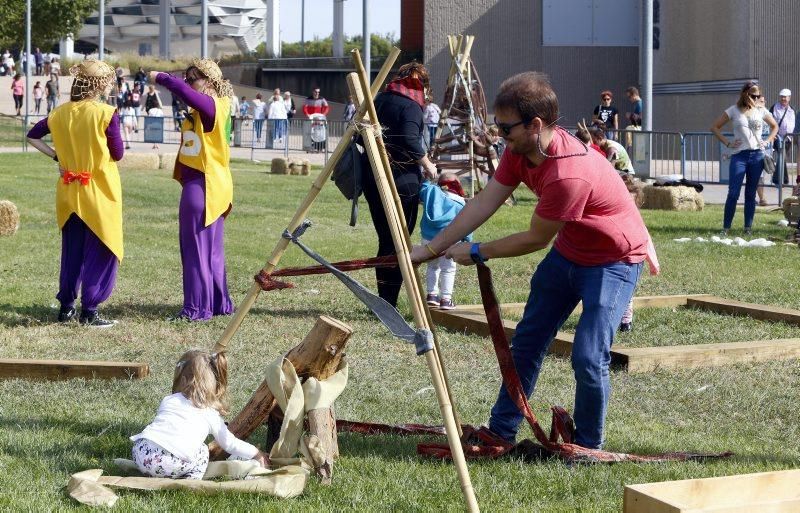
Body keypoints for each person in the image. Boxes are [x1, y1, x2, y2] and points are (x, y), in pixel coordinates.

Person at [410, 71, 654, 450]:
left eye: (505, 128)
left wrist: (477, 251)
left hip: (614, 260)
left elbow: (536, 238)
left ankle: (587, 447)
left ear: (535, 124)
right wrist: (430, 248)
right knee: (527, 342)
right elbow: (483, 203)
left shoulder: (568, 173)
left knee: (589, 356)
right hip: (570, 251)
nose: (499, 135)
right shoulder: (519, 151)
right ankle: (501, 430)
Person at [25, 59, 124, 327]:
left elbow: (33, 136)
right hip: (99, 191)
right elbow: (118, 153)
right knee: (102, 249)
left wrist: (57, 155)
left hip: (69, 192)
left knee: (72, 252)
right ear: (100, 85)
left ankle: (66, 307)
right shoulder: (106, 113)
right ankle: (89, 311)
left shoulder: (59, 113)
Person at [150, 60, 235, 321]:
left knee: (196, 249)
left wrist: (162, 77)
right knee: (211, 252)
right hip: (214, 184)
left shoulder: (211, 106)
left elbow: (183, 93)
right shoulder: (213, 108)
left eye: (192, 79)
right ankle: (219, 303)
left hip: (202, 185)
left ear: (208, 81)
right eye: (186, 79)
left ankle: (196, 309)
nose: (187, 84)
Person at [130, 349, 269, 479]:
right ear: (214, 386)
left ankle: (152, 471)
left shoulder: (169, 400)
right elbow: (230, 444)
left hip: (140, 454)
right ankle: (192, 480)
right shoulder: (210, 414)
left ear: (183, 381)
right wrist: (257, 454)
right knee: (202, 449)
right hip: (169, 464)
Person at [365, 61, 438, 307]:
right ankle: (388, 301)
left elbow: (360, 133)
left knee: (386, 239)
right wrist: (427, 163)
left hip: (373, 179)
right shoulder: (411, 105)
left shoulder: (380, 100)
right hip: (401, 182)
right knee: (398, 241)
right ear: (422, 85)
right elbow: (409, 137)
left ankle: (386, 300)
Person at [711, 81, 778, 236]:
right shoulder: (733, 110)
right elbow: (714, 127)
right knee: (733, 193)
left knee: (750, 194)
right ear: (745, 94)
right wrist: (728, 143)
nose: (756, 98)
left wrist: (767, 141)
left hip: (757, 156)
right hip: (739, 156)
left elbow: (775, 126)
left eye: (758, 96)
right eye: (753, 95)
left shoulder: (761, 110)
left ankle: (748, 228)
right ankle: (725, 228)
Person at [420, 173, 472, 310]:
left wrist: (426, 179)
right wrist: (467, 240)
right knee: (448, 269)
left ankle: (431, 295)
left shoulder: (430, 195)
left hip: (428, 239)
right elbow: (467, 224)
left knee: (432, 266)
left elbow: (423, 189)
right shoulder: (460, 203)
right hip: (449, 240)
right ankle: (446, 299)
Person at [769, 88, 795, 185]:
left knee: (782, 158)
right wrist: (772, 135)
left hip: (788, 139)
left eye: (785, 97)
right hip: (777, 137)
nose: (783, 99)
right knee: (782, 155)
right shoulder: (774, 108)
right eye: (782, 97)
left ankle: (781, 179)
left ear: (789, 98)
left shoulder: (792, 110)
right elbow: (768, 122)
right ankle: (780, 180)